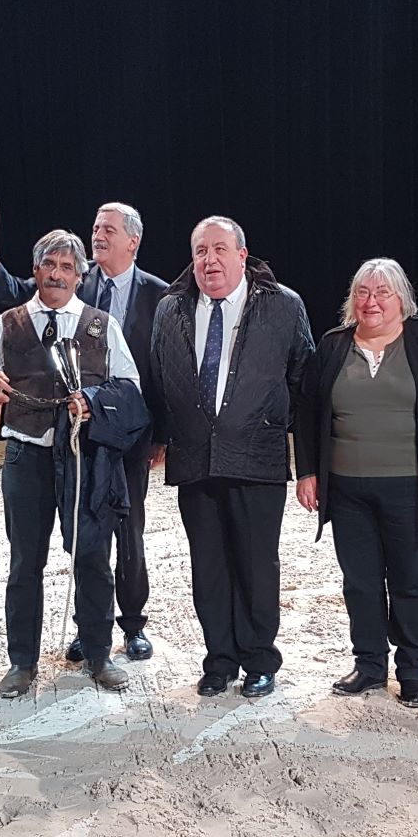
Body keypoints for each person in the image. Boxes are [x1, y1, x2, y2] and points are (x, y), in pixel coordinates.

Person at [0, 203, 168, 661]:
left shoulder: (104, 326)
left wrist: (95, 404)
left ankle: (101, 652)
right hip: (26, 456)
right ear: (36, 269)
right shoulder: (4, 326)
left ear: (80, 276)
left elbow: (132, 388)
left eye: (67, 266)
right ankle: (21, 662)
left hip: (90, 455)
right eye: (50, 264)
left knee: (93, 554)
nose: (58, 273)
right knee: (25, 562)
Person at [147, 217, 314, 700]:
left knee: (257, 566)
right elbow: (159, 382)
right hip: (195, 461)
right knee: (209, 567)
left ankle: (260, 659)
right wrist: (160, 437)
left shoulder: (284, 306)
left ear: (243, 255)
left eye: (220, 249)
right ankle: (219, 659)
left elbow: (305, 387)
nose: (209, 260)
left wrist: (308, 466)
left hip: (258, 461)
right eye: (200, 250)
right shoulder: (170, 310)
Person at [293, 259, 418, 708]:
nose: (371, 302)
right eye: (363, 293)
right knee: (361, 582)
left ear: (400, 298)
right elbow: (309, 412)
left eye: (382, 293)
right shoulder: (334, 345)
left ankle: (412, 670)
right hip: (347, 489)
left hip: (409, 488)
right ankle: (370, 664)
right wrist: (309, 472)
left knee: (411, 580)